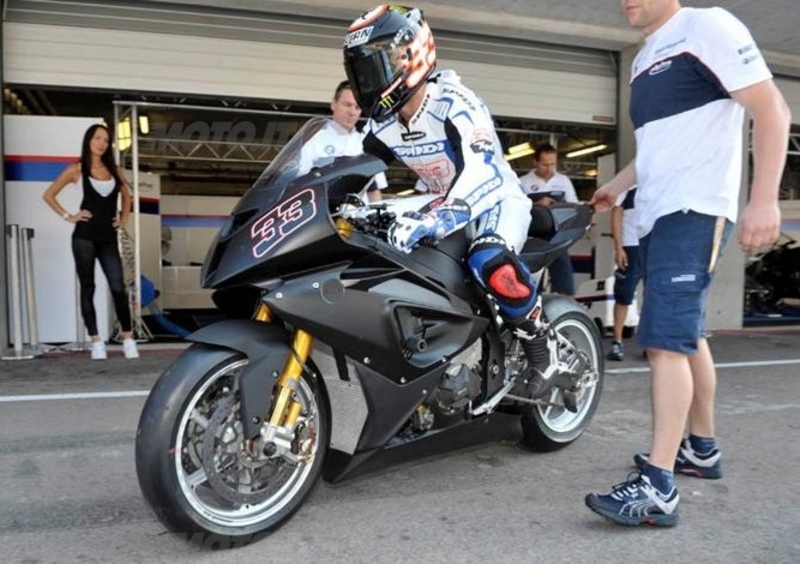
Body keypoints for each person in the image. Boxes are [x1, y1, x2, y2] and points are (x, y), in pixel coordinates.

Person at [585, 0, 791, 527]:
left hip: (695, 207)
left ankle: (658, 487)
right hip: (658, 212)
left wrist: (764, 200)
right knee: (686, 334)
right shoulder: (643, 56)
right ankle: (701, 448)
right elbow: (658, 145)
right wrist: (618, 185)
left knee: (663, 342)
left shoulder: (706, 26)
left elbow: (771, 108)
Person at [343, 4, 553, 393]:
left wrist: (436, 219)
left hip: (495, 199)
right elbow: (349, 171)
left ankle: (541, 347)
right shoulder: (382, 124)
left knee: (489, 260)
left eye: (374, 66)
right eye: (360, 71)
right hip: (440, 204)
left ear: (411, 55)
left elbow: (482, 170)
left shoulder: (454, 102)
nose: (367, 79)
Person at [43, 123, 140, 360]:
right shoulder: (76, 169)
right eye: (97, 138)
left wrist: (123, 220)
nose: (101, 143)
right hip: (84, 237)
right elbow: (49, 195)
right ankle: (96, 341)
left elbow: (127, 197)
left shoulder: (114, 170)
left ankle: (128, 338)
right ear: (88, 140)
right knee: (88, 287)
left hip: (108, 238)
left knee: (118, 287)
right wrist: (69, 216)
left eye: (106, 140)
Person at [297, 80, 387, 202]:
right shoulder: (314, 142)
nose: (352, 112)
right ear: (333, 104)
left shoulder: (366, 144)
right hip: (325, 211)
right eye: (347, 105)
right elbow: (300, 186)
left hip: (359, 213)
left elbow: (374, 191)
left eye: (357, 107)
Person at [518, 143, 578, 295]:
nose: (549, 168)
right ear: (535, 162)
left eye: (553, 164)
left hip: (558, 234)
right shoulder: (524, 182)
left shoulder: (563, 181)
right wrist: (537, 204)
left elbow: (574, 205)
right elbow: (516, 207)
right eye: (545, 165)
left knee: (564, 280)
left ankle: (564, 303)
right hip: (532, 237)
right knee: (531, 280)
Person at [607, 186, 641, 361]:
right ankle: (617, 341)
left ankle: (651, 344)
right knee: (623, 295)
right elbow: (616, 213)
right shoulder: (628, 185)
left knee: (655, 295)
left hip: (654, 245)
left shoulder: (660, 182)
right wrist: (618, 248)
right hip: (631, 246)